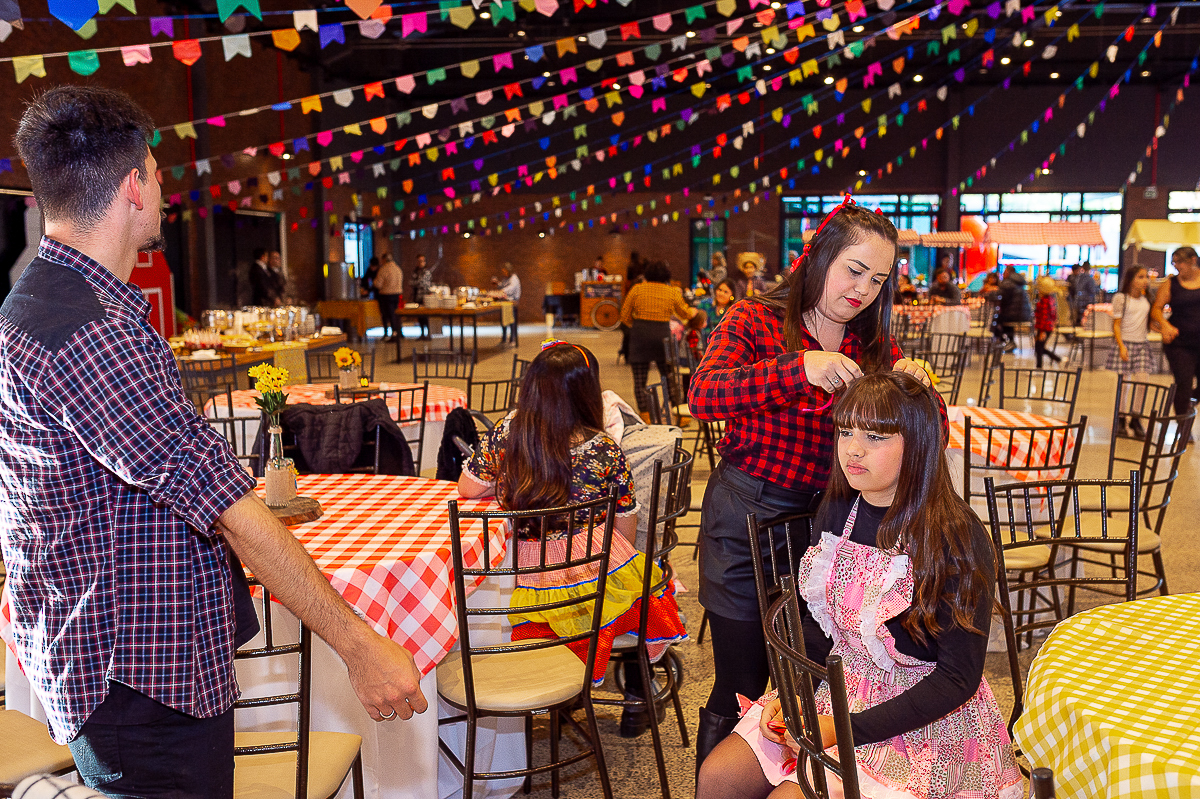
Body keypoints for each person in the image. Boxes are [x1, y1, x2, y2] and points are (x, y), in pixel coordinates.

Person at [1, 86, 426, 798]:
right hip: (137, 678)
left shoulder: (50, 299)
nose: (163, 190)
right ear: (132, 185)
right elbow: (226, 507)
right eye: (157, 173)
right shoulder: (89, 330)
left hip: (126, 660)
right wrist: (359, 644)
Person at [687, 197, 932, 774]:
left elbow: (920, 430)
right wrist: (800, 368)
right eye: (854, 270)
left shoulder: (871, 342)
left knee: (811, 678)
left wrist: (919, 388)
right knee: (740, 680)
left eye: (878, 279)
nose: (864, 290)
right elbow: (704, 395)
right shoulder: (755, 319)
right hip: (746, 517)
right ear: (819, 258)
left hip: (831, 528)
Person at [697, 373, 1022, 799]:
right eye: (846, 431)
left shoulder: (955, 536)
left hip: (921, 718)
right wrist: (793, 691)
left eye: (875, 436)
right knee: (717, 776)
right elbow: (820, 626)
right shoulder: (837, 508)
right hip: (840, 684)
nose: (852, 448)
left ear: (918, 443)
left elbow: (957, 678)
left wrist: (842, 729)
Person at [457, 342, 686, 738]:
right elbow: (625, 523)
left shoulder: (509, 434)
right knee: (633, 591)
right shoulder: (604, 447)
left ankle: (559, 691)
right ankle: (637, 693)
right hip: (594, 567)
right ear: (588, 391)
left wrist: (506, 481)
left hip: (529, 575)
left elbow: (467, 487)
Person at [618, 259, 702, 423]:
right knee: (669, 376)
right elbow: (684, 313)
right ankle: (680, 414)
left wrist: (637, 326)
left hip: (640, 336)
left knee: (640, 380)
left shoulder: (637, 289)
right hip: (662, 338)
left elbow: (624, 316)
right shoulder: (671, 292)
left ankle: (646, 416)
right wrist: (693, 311)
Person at [1152, 247, 1200, 416]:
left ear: (1193, 260)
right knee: (1184, 382)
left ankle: (1190, 402)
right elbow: (1156, 309)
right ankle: (1182, 423)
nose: (1176, 266)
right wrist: (1164, 325)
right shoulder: (1171, 283)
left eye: (1180, 262)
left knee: (1191, 390)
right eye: (1174, 262)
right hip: (1179, 343)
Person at [1108, 266, 1154, 436]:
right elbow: (1116, 324)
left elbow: (1150, 322)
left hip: (1142, 344)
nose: (1145, 280)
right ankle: (1120, 418)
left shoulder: (1147, 299)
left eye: (1146, 277)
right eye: (1140, 277)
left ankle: (1136, 417)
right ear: (1131, 279)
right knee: (1124, 383)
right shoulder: (1121, 298)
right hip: (1126, 342)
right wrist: (1121, 346)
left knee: (1142, 381)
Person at [995, 266, 1032, 352]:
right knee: (1003, 318)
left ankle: (1005, 341)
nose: (1003, 274)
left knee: (995, 320)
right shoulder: (1018, 282)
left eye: (1004, 272)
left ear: (1008, 273)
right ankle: (1009, 341)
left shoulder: (1008, 283)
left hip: (1015, 315)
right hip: (1023, 314)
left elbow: (1000, 297)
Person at [1033, 275, 1063, 368]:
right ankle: (1056, 359)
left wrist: (1042, 331)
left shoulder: (1045, 301)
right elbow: (1053, 315)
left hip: (1044, 327)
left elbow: (1044, 317)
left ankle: (1041, 366)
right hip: (1047, 327)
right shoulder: (1051, 299)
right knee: (1039, 347)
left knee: (1039, 347)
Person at [697, 278, 737, 348]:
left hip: (724, 346)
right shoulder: (705, 304)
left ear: (732, 295)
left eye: (725, 292)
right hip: (702, 345)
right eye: (719, 290)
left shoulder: (733, 311)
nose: (721, 293)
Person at [374, 252, 403, 341]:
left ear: (384, 260)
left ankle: (390, 333)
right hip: (397, 294)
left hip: (386, 295)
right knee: (396, 314)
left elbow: (378, 284)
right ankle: (398, 332)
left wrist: (374, 283)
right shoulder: (398, 268)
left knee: (388, 315)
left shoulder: (384, 269)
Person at [492, 262, 521, 345]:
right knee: (503, 320)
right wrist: (498, 284)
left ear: (509, 270)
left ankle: (512, 339)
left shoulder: (514, 278)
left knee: (511, 320)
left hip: (512, 302)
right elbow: (503, 286)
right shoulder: (506, 278)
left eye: (504, 271)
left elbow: (510, 288)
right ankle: (504, 338)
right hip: (505, 302)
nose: (503, 273)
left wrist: (501, 291)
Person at [1068, 262, 1098, 327]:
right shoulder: (1089, 279)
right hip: (1086, 303)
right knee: (1085, 322)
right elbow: (1093, 291)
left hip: (1077, 302)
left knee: (1077, 321)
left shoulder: (1078, 278)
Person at [411, 253, 433, 340]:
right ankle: (422, 333)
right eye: (419, 261)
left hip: (425, 297)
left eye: (422, 261)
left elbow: (422, 283)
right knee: (420, 316)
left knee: (426, 316)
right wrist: (416, 283)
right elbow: (411, 282)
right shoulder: (415, 272)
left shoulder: (426, 272)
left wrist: (416, 282)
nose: (420, 263)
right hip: (417, 296)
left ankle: (428, 334)